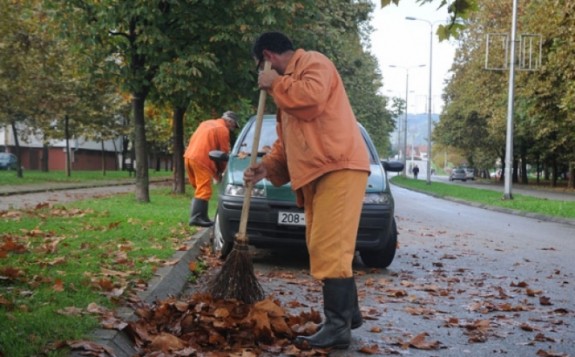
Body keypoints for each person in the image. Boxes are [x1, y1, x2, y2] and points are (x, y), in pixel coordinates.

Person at [245, 32, 370, 350]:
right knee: (323, 245)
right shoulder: (287, 98)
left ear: (268, 58)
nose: (261, 76)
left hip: (338, 166)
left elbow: (311, 99)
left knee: (330, 247)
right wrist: (266, 168)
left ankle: (339, 327)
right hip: (318, 172)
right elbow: (288, 146)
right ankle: (348, 315)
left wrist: (273, 83)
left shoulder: (314, 63)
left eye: (260, 68)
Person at [184, 111, 239, 227]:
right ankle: (196, 218)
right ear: (229, 121)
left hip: (189, 156)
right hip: (202, 159)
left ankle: (202, 216)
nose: (233, 129)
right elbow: (223, 154)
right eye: (234, 125)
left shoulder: (206, 123)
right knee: (204, 190)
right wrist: (221, 172)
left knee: (199, 188)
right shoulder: (223, 130)